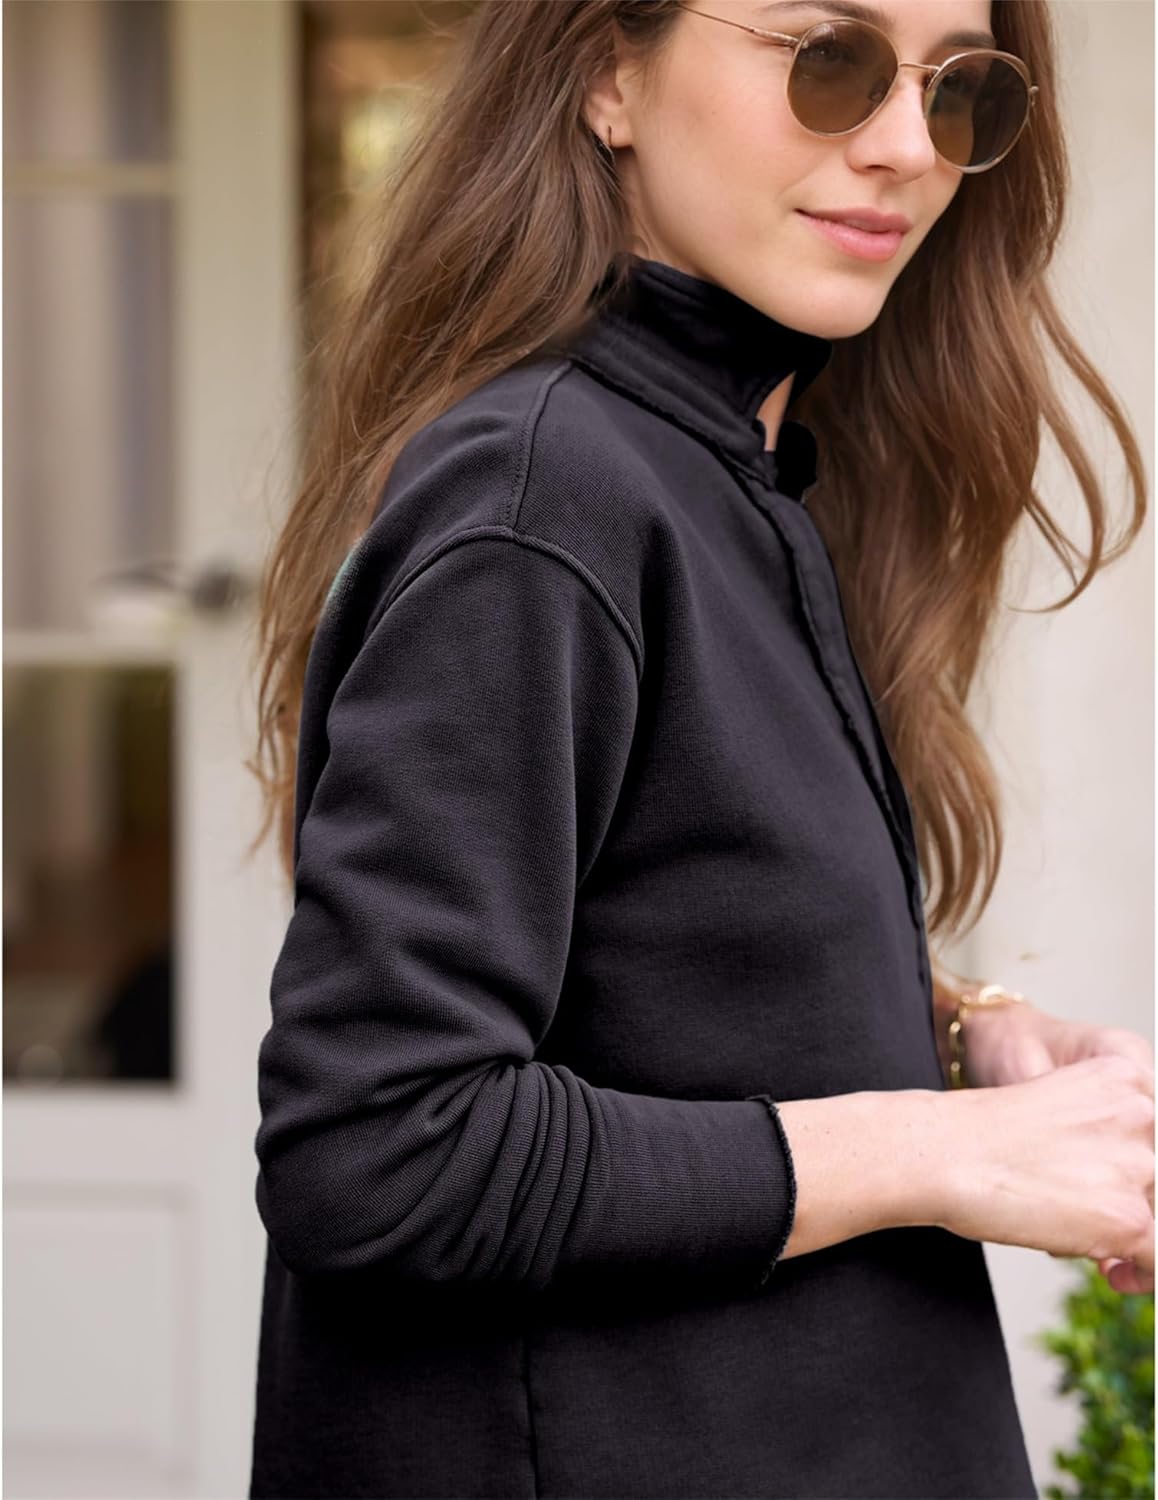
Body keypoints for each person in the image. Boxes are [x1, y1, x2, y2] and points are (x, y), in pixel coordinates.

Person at [245, 2, 1154, 1496]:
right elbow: (381, 1149)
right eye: (830, 58)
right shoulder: (545, 502)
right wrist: (935, 1154)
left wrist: (960, 1038)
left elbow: (649, 963)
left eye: (960, 88)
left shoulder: (724, 477)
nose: (906, 146)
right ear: (609, 74)